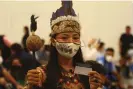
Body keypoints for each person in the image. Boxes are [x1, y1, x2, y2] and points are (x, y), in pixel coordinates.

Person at [25, 1, 103, 89]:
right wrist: (31, 85)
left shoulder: (85, 70)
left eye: (75, 37)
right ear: (53, 41)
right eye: (64, 37)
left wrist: (94, 87)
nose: (71, 41)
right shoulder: (42, 73)